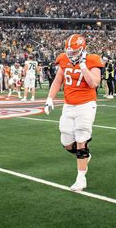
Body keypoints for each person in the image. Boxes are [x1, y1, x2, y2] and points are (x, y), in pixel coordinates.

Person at [44, 34, 103, 191]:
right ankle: (85, 156)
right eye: (69, 51)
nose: (71, 55)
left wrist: (83, 66)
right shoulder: (64, 59)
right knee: (67, 142)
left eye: (75, 52)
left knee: (81, 138)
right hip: (68, 105)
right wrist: (50, 98)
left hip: (86, 105)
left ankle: (81, 178)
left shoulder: (92, 60)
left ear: (83, 50)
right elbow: (58, 80)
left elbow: (94, 83)